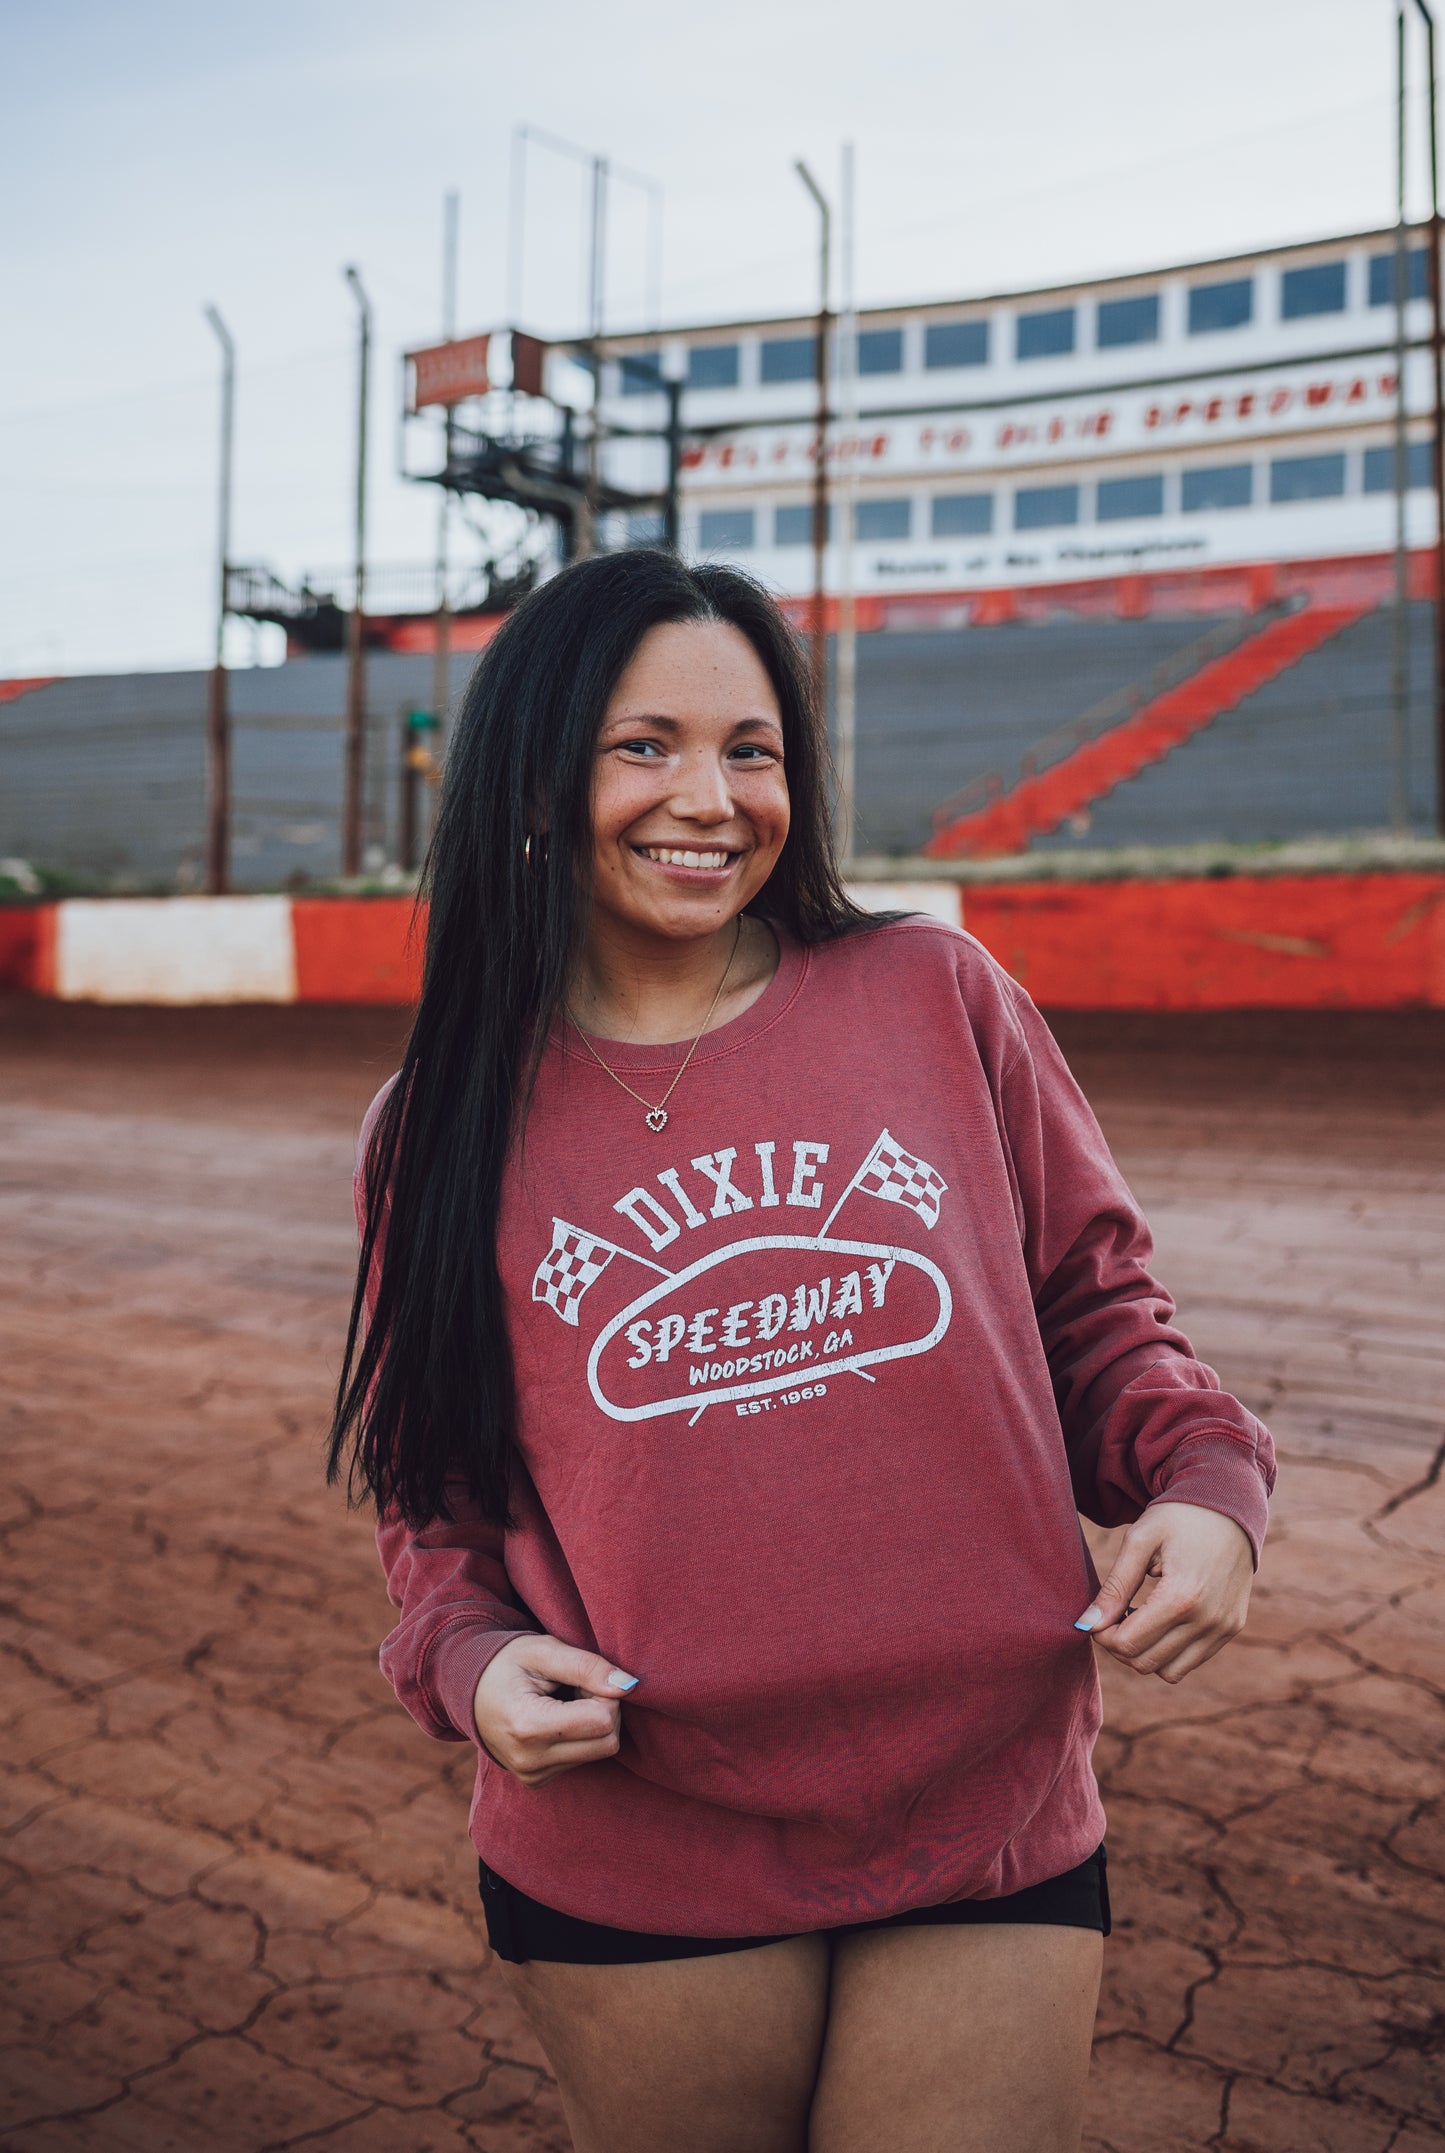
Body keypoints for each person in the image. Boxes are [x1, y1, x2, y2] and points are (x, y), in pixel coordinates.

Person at [330, 549, 1274, 2153]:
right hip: (641, 1828)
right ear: (537, 779)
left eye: (750, 749)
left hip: (986, 1792)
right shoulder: (439, 1123)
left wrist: (1202, 1481)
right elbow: (435, 1491)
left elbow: (1099, 1313)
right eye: (642, 745)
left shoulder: (933, 992)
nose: (708, 798)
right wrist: (469, 1660)